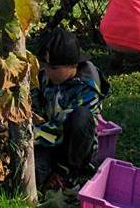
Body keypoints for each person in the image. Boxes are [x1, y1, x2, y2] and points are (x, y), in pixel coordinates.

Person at [33, 28, 107, 188]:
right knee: (35, 175)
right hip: (46, 139)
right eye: (45, 65)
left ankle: (69, 172)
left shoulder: (88, 88)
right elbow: (35, 96)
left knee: (80, 117)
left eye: (53, 68)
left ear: (73, 65)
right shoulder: (47, 76)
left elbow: (61, 125)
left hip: (72, 145)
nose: (46, 71)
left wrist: (32, 133)